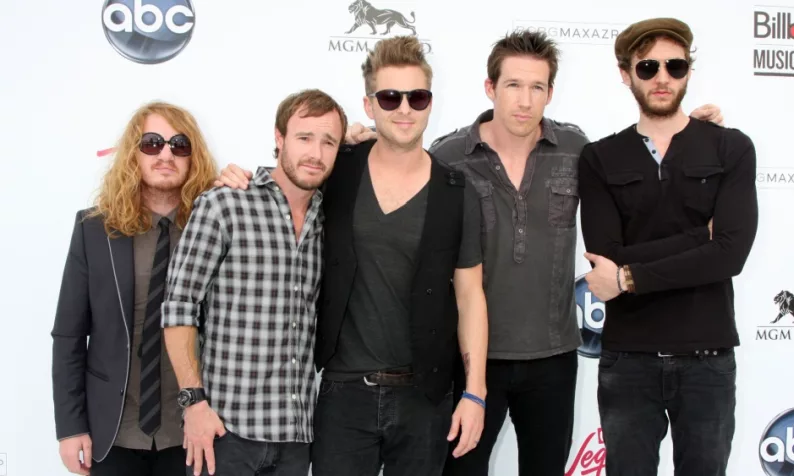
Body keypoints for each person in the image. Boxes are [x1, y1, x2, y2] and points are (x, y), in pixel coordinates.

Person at [305, 30, 726, 476]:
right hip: (467, 363)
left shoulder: (576, 151)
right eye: (512, 85)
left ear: (550, 93)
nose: (524, 100)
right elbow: (398, 155)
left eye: (536, 87)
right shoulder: (451, 156)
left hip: (554, 359)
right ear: (490, 88)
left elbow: (635, 178)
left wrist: (684, 132)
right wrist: (358, 139)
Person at [214, 36, 489, 476]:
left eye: (417, 97)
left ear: (430, 103)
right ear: (369, 104)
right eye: (390, 97)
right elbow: (291, 171)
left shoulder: (457, 192)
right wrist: (237, 176)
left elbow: (471, 295)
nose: (404, 109)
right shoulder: (337, 168)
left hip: (426, 396)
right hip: (344, 394)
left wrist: (474, 393)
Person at [578, 18, 758, 476]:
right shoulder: (600, 158)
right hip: (628, 362)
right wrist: (704, 238)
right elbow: (605, 258)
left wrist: (628, 278)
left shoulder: (730, 148)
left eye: (675, 66)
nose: (662, 77)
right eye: (648, 67)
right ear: (626, 74)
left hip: (707, 361)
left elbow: (731, 255)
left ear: (687, 73)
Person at [159, 89, 348, 476]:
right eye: (304, 137)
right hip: (226, 434)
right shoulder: (225, 204)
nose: (316, 152)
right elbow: (179, 307)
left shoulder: (332, 216)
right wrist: (193, 403)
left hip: (296, 438)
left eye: (329, 141)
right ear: (279, 139)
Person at [51, 101, 218, 476]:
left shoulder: (215, 227)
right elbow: (68, 335)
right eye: (152, 143)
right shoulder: (94, 229)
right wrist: (70, 426)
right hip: (113, 431)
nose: (165, 154)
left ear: (194, 157)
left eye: (179, 145)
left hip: (194, 432)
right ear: (133, 153)